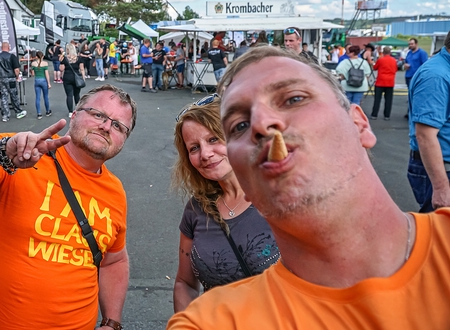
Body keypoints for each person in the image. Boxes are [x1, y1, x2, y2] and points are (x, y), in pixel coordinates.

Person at [168, 45, 450, 329]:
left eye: (293, 98)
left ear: (359, 123)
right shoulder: (212, 321)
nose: (262, 124)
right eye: (240, 125)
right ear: (243, 178)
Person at [0, 84, 137, 330]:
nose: (106, 126)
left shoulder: (115, 191)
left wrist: (111, 322)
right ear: (74, 114)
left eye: (118, 126)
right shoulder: (24, 153)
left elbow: (113, 261)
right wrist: (0, 150)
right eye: (98, 115)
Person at [171, 95, 279, 313]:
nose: (205, 154)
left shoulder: (281, 194)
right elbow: (185, 284)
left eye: (213, 140)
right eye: (194, 148)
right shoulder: (196, 209)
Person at [407, 31, 450, 213]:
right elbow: (425, 135)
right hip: (442, 171)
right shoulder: (436, 76)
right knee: (441, 237)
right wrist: (441, 188)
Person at [0, 42, 26, 122]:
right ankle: (18, 111)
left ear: (1, 47)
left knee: (4, 96)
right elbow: (16, 69)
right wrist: (17, 76)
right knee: (13, 95)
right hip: (10, 78)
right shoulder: (12, 56)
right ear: (9, 47)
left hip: (1, 78)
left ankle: (5, 115)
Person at [371, 46, 397, 121]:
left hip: (380, 81)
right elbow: (395, 70)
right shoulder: (393, 60)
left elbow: (375, 68)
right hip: (390, 82)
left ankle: (374, 114)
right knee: (388, 100)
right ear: (390, 52)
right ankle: (387, 115)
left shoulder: (380, 60)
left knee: (377, 99)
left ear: (383, 52)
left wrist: (373, 63)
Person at [404, 38, 428, 119]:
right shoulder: (409, 53)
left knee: (415, 95)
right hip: (408, 75)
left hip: (416, 76)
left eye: (412, 44)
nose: (410, 45)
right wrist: (405, 65)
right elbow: (406, 61)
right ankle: (410, 112)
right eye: (409, 44)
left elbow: (425, 65)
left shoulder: (421, 53)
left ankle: (413, 113)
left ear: (416, 44)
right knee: (410, 95)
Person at [60, 42, 86, 118]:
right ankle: (78, 110)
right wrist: (83, 78)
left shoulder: (65, 58)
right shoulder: (79, 58)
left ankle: (70, 112)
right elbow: (82, 69)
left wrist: (61, 61)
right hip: (76, 77)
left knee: (69, 95)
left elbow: (61, 69)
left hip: (67, 77)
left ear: (68, 50)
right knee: (77, 95)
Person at [31, 51, 52, 120]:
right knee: (46, 96)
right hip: (43, 81)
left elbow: (33, 74)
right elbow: (47, 74)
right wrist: (48, 83)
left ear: (36, 56)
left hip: (37, 80)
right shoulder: (45, 63)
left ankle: (39, 113)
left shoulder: (33, 64)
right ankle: (47, 111)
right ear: (42, 56)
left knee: (37, 97)